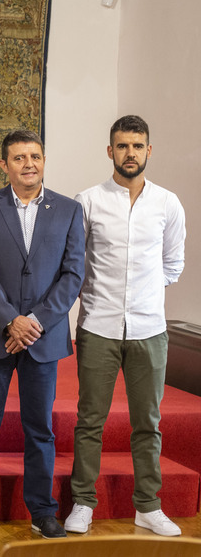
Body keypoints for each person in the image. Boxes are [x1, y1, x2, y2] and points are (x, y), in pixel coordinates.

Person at [64, 115, 187, 537]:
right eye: (122, 146)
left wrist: (147, 291)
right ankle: (83, 502)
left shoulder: (168, 203)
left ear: (148, 151)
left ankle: (148, 507)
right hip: (98, 325)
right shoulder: (88, 201)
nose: (129, 153)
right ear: (110, 151)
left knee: (147, 422)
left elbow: (174, 262)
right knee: (90, 420)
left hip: (149, 330)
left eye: (137, 146)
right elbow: (74, 264)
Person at [0, 130, 85, 540]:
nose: (28, 163)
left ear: (44, 160)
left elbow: (72, 274)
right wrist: (9, 320)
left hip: (42, 338)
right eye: (18, 158)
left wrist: (35, 323)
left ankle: (43, 510)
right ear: (4, 165)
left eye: (34, 156)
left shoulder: (68, 209)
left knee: (40, 428)